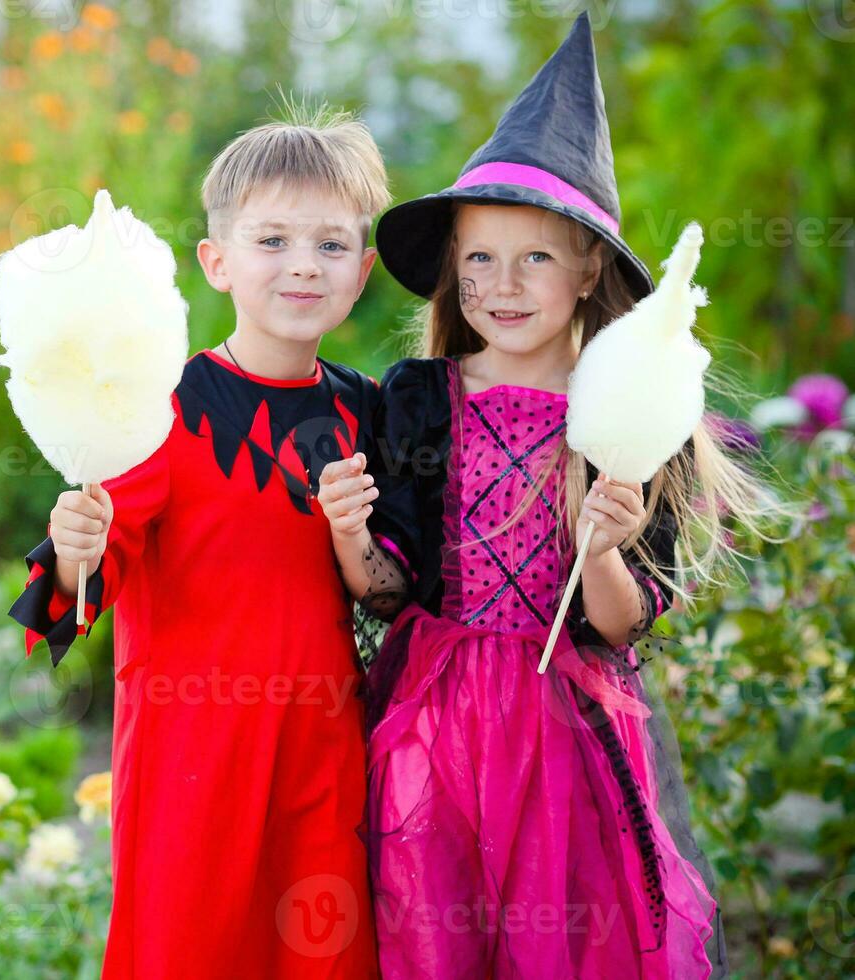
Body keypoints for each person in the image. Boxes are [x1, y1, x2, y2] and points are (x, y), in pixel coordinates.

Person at [315, 15, 772, 978]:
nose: (501, 285)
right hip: (431, 724)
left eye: (534, 258)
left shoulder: (633, 417)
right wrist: (352, 538)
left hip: (564, 725)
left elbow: (619, 624)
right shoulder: (419, 399)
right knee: (429, 932)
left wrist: (603, 545)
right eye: (478, 259)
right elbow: (389, 591)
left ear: (589, 267)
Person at [9, 105, 389, 978]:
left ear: (363, 270)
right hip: (196, 753)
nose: (303, 265)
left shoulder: (371, 411)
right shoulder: (157, 406)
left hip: (323, 751)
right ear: (216, 263)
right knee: (194, 947)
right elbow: (85, 576)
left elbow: (396, 586)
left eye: (332, 246)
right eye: (272, 241)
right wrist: (75, 545)